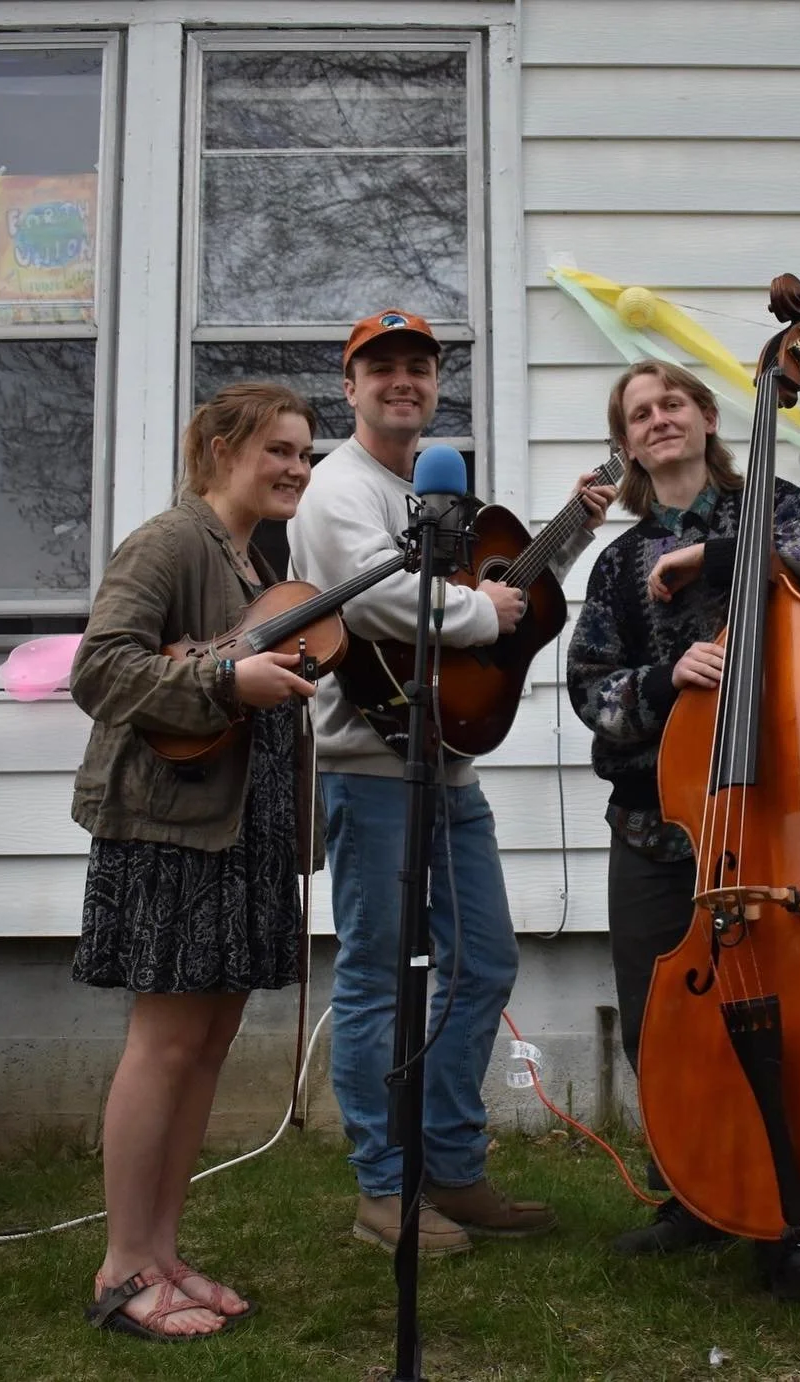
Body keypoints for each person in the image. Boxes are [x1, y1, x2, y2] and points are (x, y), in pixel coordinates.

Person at [287, 309, 615, 1256]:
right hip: (369, 767)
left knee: (483, 963)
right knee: (379, 979)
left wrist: (572, 536)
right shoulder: (337, 491)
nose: (403, 382)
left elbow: (502, 589)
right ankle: (383, 1195)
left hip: (448, 765)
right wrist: (481, 608)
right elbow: (376, 596)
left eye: (419, 369)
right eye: (381, 368)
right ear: (349, 389)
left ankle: (452, 1168)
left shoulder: (440, 491)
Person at [566, 360, 800, 1303]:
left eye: (671, 403)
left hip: (771, 822)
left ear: (704, 415)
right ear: (630, 439)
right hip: (655, 827)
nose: (658, 421)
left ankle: (791, 1216)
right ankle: (695, 1195)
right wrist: (662, 682)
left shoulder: (773, 503)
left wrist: (725, 558)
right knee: (662, 1027)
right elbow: (591, 688)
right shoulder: (616, 562)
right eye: (639, 414)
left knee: (786, 1020)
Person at [70, 382, 321, 1340]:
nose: (299, 467)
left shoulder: (256, 558)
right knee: (166, 1044)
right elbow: (101, 667)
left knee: (207, 1049)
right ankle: (121, 1269)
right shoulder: (171, 541)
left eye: (307, 453)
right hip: (171, 836)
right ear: (219, 446)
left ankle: (163, 1252)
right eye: (281, 450)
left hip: (240, 837)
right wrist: (227, 676)